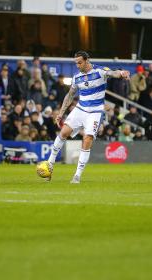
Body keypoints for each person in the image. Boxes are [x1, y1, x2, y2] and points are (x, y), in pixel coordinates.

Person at [46, 51, 130, 183]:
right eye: (76, 63)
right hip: (80, 109)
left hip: (95, 112)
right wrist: (61, 113)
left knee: (87, 139)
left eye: (80, 62)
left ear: (87, 60)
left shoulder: (100, 71)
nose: (78, 65)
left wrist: (121, 73)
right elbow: (70, 95)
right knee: (64, 132)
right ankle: (50, 164)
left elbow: (113, 73)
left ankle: (77, 176)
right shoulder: (76, 77)